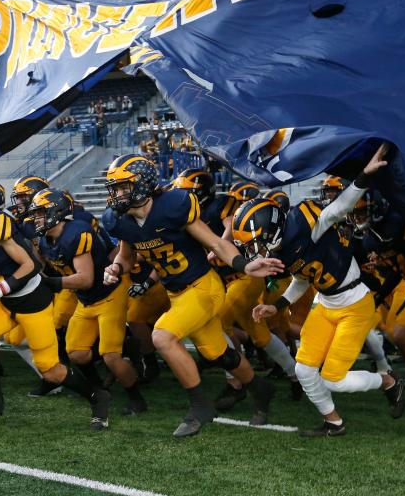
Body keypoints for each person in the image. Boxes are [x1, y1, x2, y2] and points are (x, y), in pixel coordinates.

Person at [103, 154, 283, 437]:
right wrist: (115, 267)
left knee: (161, 335)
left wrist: (245, 265)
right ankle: (260, 389)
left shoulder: (172, 206)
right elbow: (126, 257)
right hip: (177, 293)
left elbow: (215, 243)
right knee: (219, 354)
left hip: (203, 286)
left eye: (123, 186)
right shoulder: (120, 220)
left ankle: (201, 406)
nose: (116, 194)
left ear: (143, 184)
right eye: (114, 187)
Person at [245, 144, 405, 437]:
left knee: (334, 378)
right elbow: (304, 278)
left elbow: (340, 208)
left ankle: (389, 381)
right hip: (326, 304)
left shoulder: (306, 225)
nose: (255, 252)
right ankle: (334, 422)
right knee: (305, 370)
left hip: (355, 304)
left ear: (273, 229)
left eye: (256, 244)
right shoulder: (282, 249)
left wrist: (363, 177)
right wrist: (277, 306)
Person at [0, 176, 110, 430]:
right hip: (5, 300)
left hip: (32, 300)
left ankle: (97, 396)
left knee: (50, 370)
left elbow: (31, 266)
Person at [31, 189, 148, 419]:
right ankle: (99, 387)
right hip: (86, 300)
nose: (36, 218)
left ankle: (137, 398)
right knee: (75, 352)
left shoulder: (76, 232)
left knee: (110, 356)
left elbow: (86, 279)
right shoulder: (46, 240)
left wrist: (52, 284)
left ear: (57, 211)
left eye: (41, 213)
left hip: (109, 293)